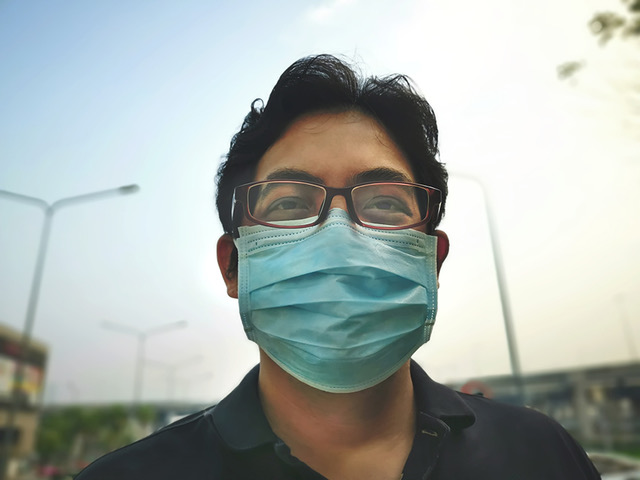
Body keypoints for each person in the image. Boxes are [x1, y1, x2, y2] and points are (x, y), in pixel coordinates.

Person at [76, 54, 601, 479]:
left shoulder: (541, 454)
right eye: (289, 204)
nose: (338, 233)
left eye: (384, 203)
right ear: (233, 266)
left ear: (432, 260)